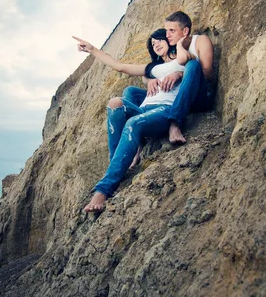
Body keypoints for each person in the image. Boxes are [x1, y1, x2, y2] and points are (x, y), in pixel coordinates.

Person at [73, 30, 185, 212]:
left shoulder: (182, 60)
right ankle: (116, 164)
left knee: (133, 123)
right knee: (115, 103)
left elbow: (195, 72)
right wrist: (93, 49)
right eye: (153, 43)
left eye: (160, 40)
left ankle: (103, 190)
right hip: (143, 109)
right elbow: (119, 66)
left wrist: (178, 74)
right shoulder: (152, 69)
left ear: (170, 40)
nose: (156, 44)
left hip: (164, 111)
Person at [159, 11, 214, 144]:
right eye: (166, 31)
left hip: (199, 97)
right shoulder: (171, 51)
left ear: (185, 31)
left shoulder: (200, 41)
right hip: (177, 97)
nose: (167, 35)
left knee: (193, 64)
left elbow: (208, 74)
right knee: (131, 92)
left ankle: (175, 124)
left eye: (172, 30)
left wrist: (179, 74)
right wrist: (150, 81)